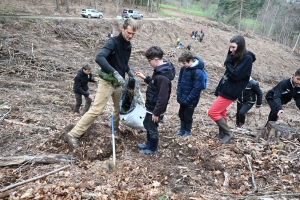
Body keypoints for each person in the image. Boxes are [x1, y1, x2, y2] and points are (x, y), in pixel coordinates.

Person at [64, 18, 139, 149]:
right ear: (122, 28)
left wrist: (129, 71)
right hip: (106, 82)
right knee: (97, 110)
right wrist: (114, 72)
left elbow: (123, 62)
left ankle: (114, 130)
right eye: (128, 32)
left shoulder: (128, 45)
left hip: (119, 83)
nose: (130, 36)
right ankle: (73, 134)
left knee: (118, 109)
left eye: (133, 34)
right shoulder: (113, 42)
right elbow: (99, 57)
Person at [208, 34, 256, 144]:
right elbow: (228, 74)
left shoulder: (247, 58)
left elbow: (235, 75)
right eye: (230, 47)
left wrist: (229, 61)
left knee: (212, 112)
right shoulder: (236, 56)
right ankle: (222, 133)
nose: (230, 50)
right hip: (225, 89)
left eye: (233, 47)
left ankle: (228, 133)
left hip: (231, 91)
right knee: (221, 112)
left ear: (240, 46)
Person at [135, 46, 175, 154]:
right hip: (151, 106)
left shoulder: (163, 77)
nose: (149, 63)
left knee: (152, 127)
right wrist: (145, 78)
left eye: (149, 61)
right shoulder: (158, 71)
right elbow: (154, 84)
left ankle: (153, 148)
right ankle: (148, 143)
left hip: (155, 109)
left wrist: (156, 113)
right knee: (147, 124)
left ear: (156, 59)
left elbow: (163, 97)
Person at [174, 51, 205, 137]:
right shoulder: (183, 69)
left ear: (190, 60)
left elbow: (196, 89)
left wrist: (187, 99)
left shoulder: (197, 72)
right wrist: (179, 95)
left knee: (188, 115)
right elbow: (179, 82)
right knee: (181, 114)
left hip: (191, 99)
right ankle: (181, 130)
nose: (183, 65)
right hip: (183, 97)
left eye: (184, 63)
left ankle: (188, 131)